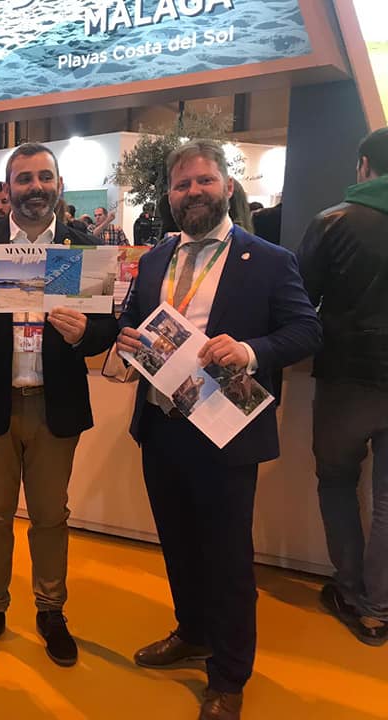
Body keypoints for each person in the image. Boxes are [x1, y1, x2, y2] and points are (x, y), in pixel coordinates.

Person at [115, 139, 321, 720]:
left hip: (225, 429)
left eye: (204, 181)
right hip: (161, 424)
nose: (193, 193)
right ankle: (192, 632)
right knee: (178, 542)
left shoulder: (269, 259)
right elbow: (132, 321)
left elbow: (306, 332)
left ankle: (228, 676)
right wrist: (125, 336)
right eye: (182, 185)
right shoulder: (154, 259)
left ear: (228, 187)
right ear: (169, 195)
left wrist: (250, 351)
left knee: (228, 557)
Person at [0, 142, 116, 669]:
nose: (35, 187)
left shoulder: (83, 248)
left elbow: (106, 328)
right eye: (24, 179)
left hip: (54, 406)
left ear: (58, 185)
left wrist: (85, 332)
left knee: (50, 516)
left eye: (44, 177)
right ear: (7, 188)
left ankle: (51, 610)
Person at [298, 126, 388, 647]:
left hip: (345, 378)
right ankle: (379, 607)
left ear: (363, 166)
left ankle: (350, 590)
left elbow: (299, 300)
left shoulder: (333, 222)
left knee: (336, 481)